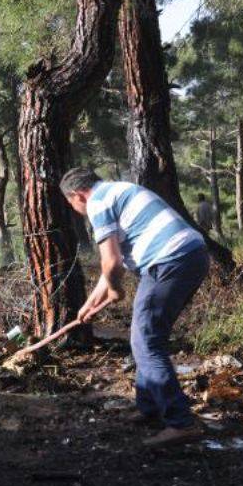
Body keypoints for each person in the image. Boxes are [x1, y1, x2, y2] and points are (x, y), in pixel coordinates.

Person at [59, 167, 209, 448]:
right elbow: (109, 272)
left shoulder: (98, 203)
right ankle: (149, 407)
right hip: (191, 255)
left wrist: (116, 290)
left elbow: (112, 264)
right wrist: (89, 305)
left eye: (72, 205)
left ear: (78, 195)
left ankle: (181, 423)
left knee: (146, 341)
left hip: (169, 261)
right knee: (147, 338)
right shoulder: (117, 190)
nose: (78, 210)